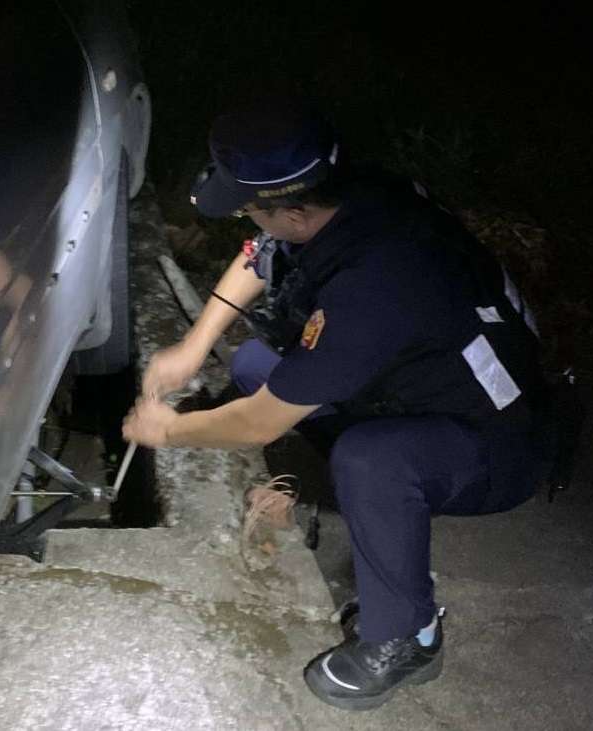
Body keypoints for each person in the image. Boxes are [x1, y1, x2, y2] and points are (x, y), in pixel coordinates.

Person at [122, 107, 546, 711]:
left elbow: (259, 422)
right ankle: (368, 497)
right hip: (415, 387)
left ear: (295, 210)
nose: (247, 218)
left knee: (370, 460)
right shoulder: (346, 195)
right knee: (252, 367)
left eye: (249, 206)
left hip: (498, 442)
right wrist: (191, 349)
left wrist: (171, 431)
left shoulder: (377, 283)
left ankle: (408, 638)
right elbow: (258, 253)